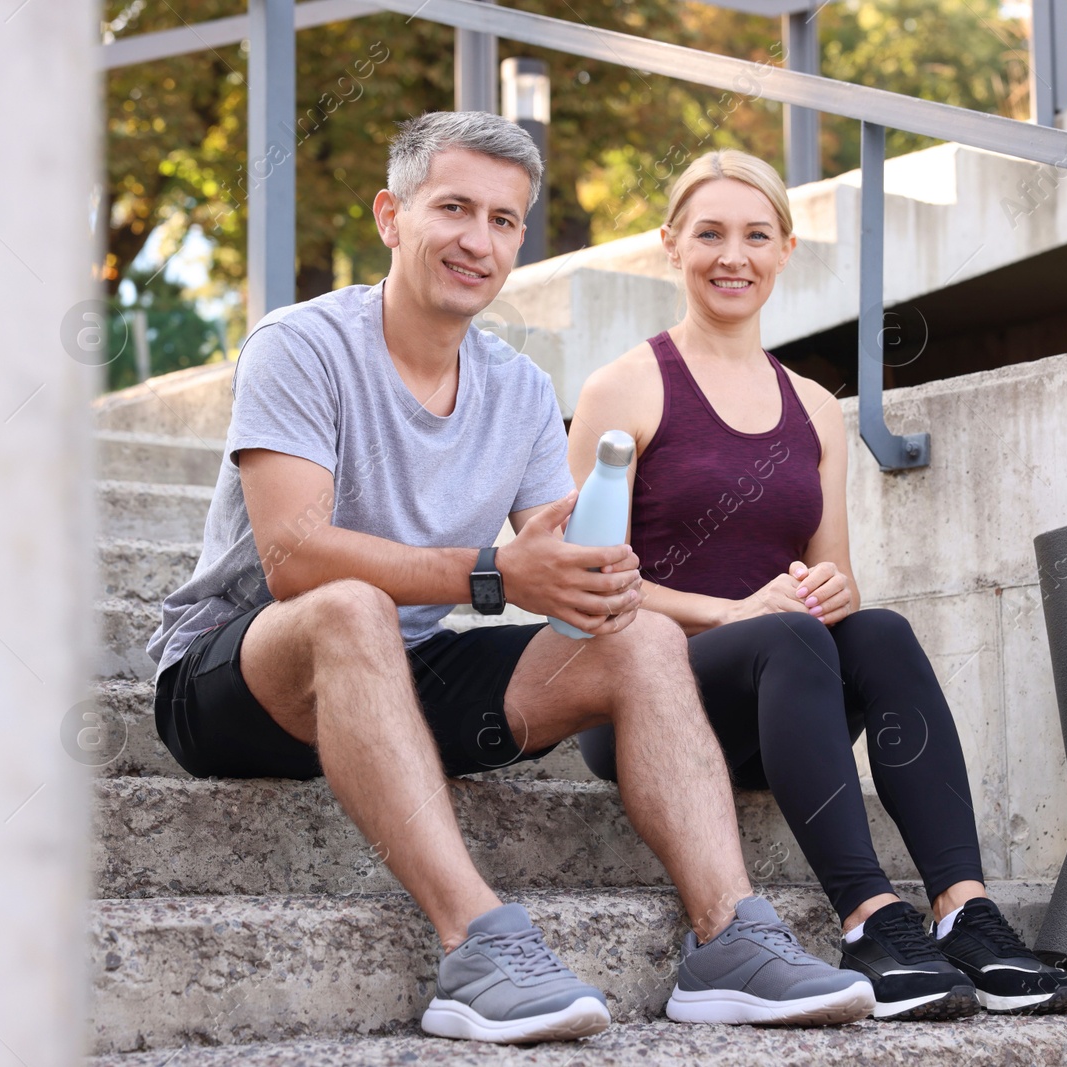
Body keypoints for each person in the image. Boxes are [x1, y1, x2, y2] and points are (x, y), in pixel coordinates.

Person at [145, 114, 873, 1045]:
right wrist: (494, 573)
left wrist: (597, 574)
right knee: (350, 606)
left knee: (638, 636)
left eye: (502, 220)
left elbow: (558, 552)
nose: (476, 240)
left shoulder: (522, 390)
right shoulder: (301, 345)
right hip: (240, 676)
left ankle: (730, 935)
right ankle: (477, 944)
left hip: (404, 678)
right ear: (391, 217)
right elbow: (293, 557)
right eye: (453, 208)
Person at [568, 149, 1067, 1021]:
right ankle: (870, 919)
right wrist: (735, 612)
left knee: (875, 629)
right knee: (784, 633)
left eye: (756, 235)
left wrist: (833, 591)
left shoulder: (811, 405)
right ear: (670, 245)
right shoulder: (624, 387)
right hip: (648, 707)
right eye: (711, 234)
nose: (735, 256)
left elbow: (830, 572)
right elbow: (588, 594)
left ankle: (963, 909)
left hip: (780, 697)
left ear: (786, 251)